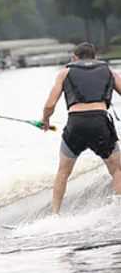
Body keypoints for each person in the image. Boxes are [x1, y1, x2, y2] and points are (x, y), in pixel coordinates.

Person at [40, 42, 121, 214]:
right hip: (100, 122)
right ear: (95, 57)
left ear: (74, 58)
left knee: (63, 171)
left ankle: (55, 214)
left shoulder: (65, 73)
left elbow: (49, 106)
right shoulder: (109, 72)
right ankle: (119, 209)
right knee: (116, 170)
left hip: (75, 123)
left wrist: (45, 121)